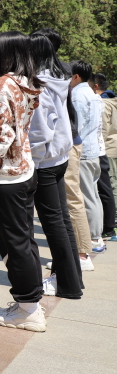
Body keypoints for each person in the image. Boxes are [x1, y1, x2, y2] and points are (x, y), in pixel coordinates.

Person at [0, 31, 44, 332]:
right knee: (24, 240)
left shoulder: (2, 85)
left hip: (5, 176)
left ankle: (28, 309)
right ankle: (29, 302)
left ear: (4, 55)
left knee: (14, 244)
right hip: (22, 170)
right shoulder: (25, 83)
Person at [32, 28, 93, 270]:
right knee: (64, 212)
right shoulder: (62, 73)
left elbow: (43, 127)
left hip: (56, 151)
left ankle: (81, 256)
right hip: (63, 147)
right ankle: (72, 266)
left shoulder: (48, 78)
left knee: (67, 207)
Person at [28, 35, 82, 299]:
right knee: (62, 221)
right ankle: (73, 278)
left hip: (46, 162)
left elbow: (39, 131)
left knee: (54, 224)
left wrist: (33, 163)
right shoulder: (59, 78)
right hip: (60, 157)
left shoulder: (40, 83)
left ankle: (67, 284)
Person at [70, 61, 105, 254]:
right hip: (93, 151)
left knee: (86, 197)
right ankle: (96, 236)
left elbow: (76, 127)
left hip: (82, 153)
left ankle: (93, 238)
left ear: (76, 76)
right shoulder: (92, 94)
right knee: (93, 195)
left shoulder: (77, 96)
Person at [91, 73, 117, 241]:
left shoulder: (104, 103)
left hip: (108, 148)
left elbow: (103, 130)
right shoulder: (113, 100)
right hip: (114, 146)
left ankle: (111, 224)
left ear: (95, 86)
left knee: (109, 186)